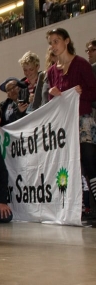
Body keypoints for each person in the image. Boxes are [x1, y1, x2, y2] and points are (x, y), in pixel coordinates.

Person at [46, 28, 96, 216]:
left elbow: (93, 91)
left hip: (82, 119)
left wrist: (80, 92)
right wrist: (52, 94)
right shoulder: (51, 72)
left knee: (89, 163)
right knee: (68, 165)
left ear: (66, 41)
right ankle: (73, 207)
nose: (53, 46)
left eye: (56, 41)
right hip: (64, 125)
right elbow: (53, 104)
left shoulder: (81, 64)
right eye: (51, 42)